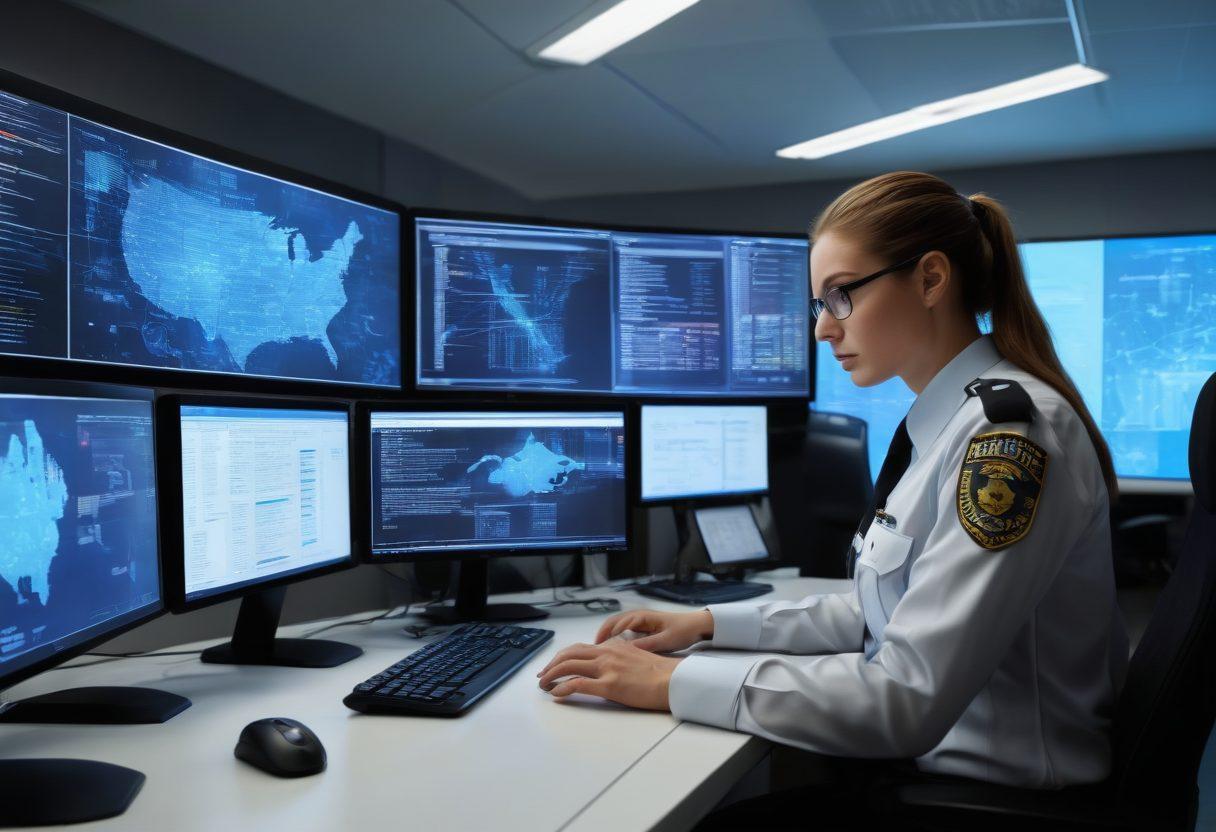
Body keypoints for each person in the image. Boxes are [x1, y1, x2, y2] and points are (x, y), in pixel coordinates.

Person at [536, 171, 1129, 828]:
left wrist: (670, 683)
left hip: (998, 802)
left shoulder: (1009, 437)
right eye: (819, 304)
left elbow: (907, 697)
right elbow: (889, 611)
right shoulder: (949, 425)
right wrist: (707, 625)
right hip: (938, 773)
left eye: (840, 296)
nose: (822, 329)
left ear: (931, 280)